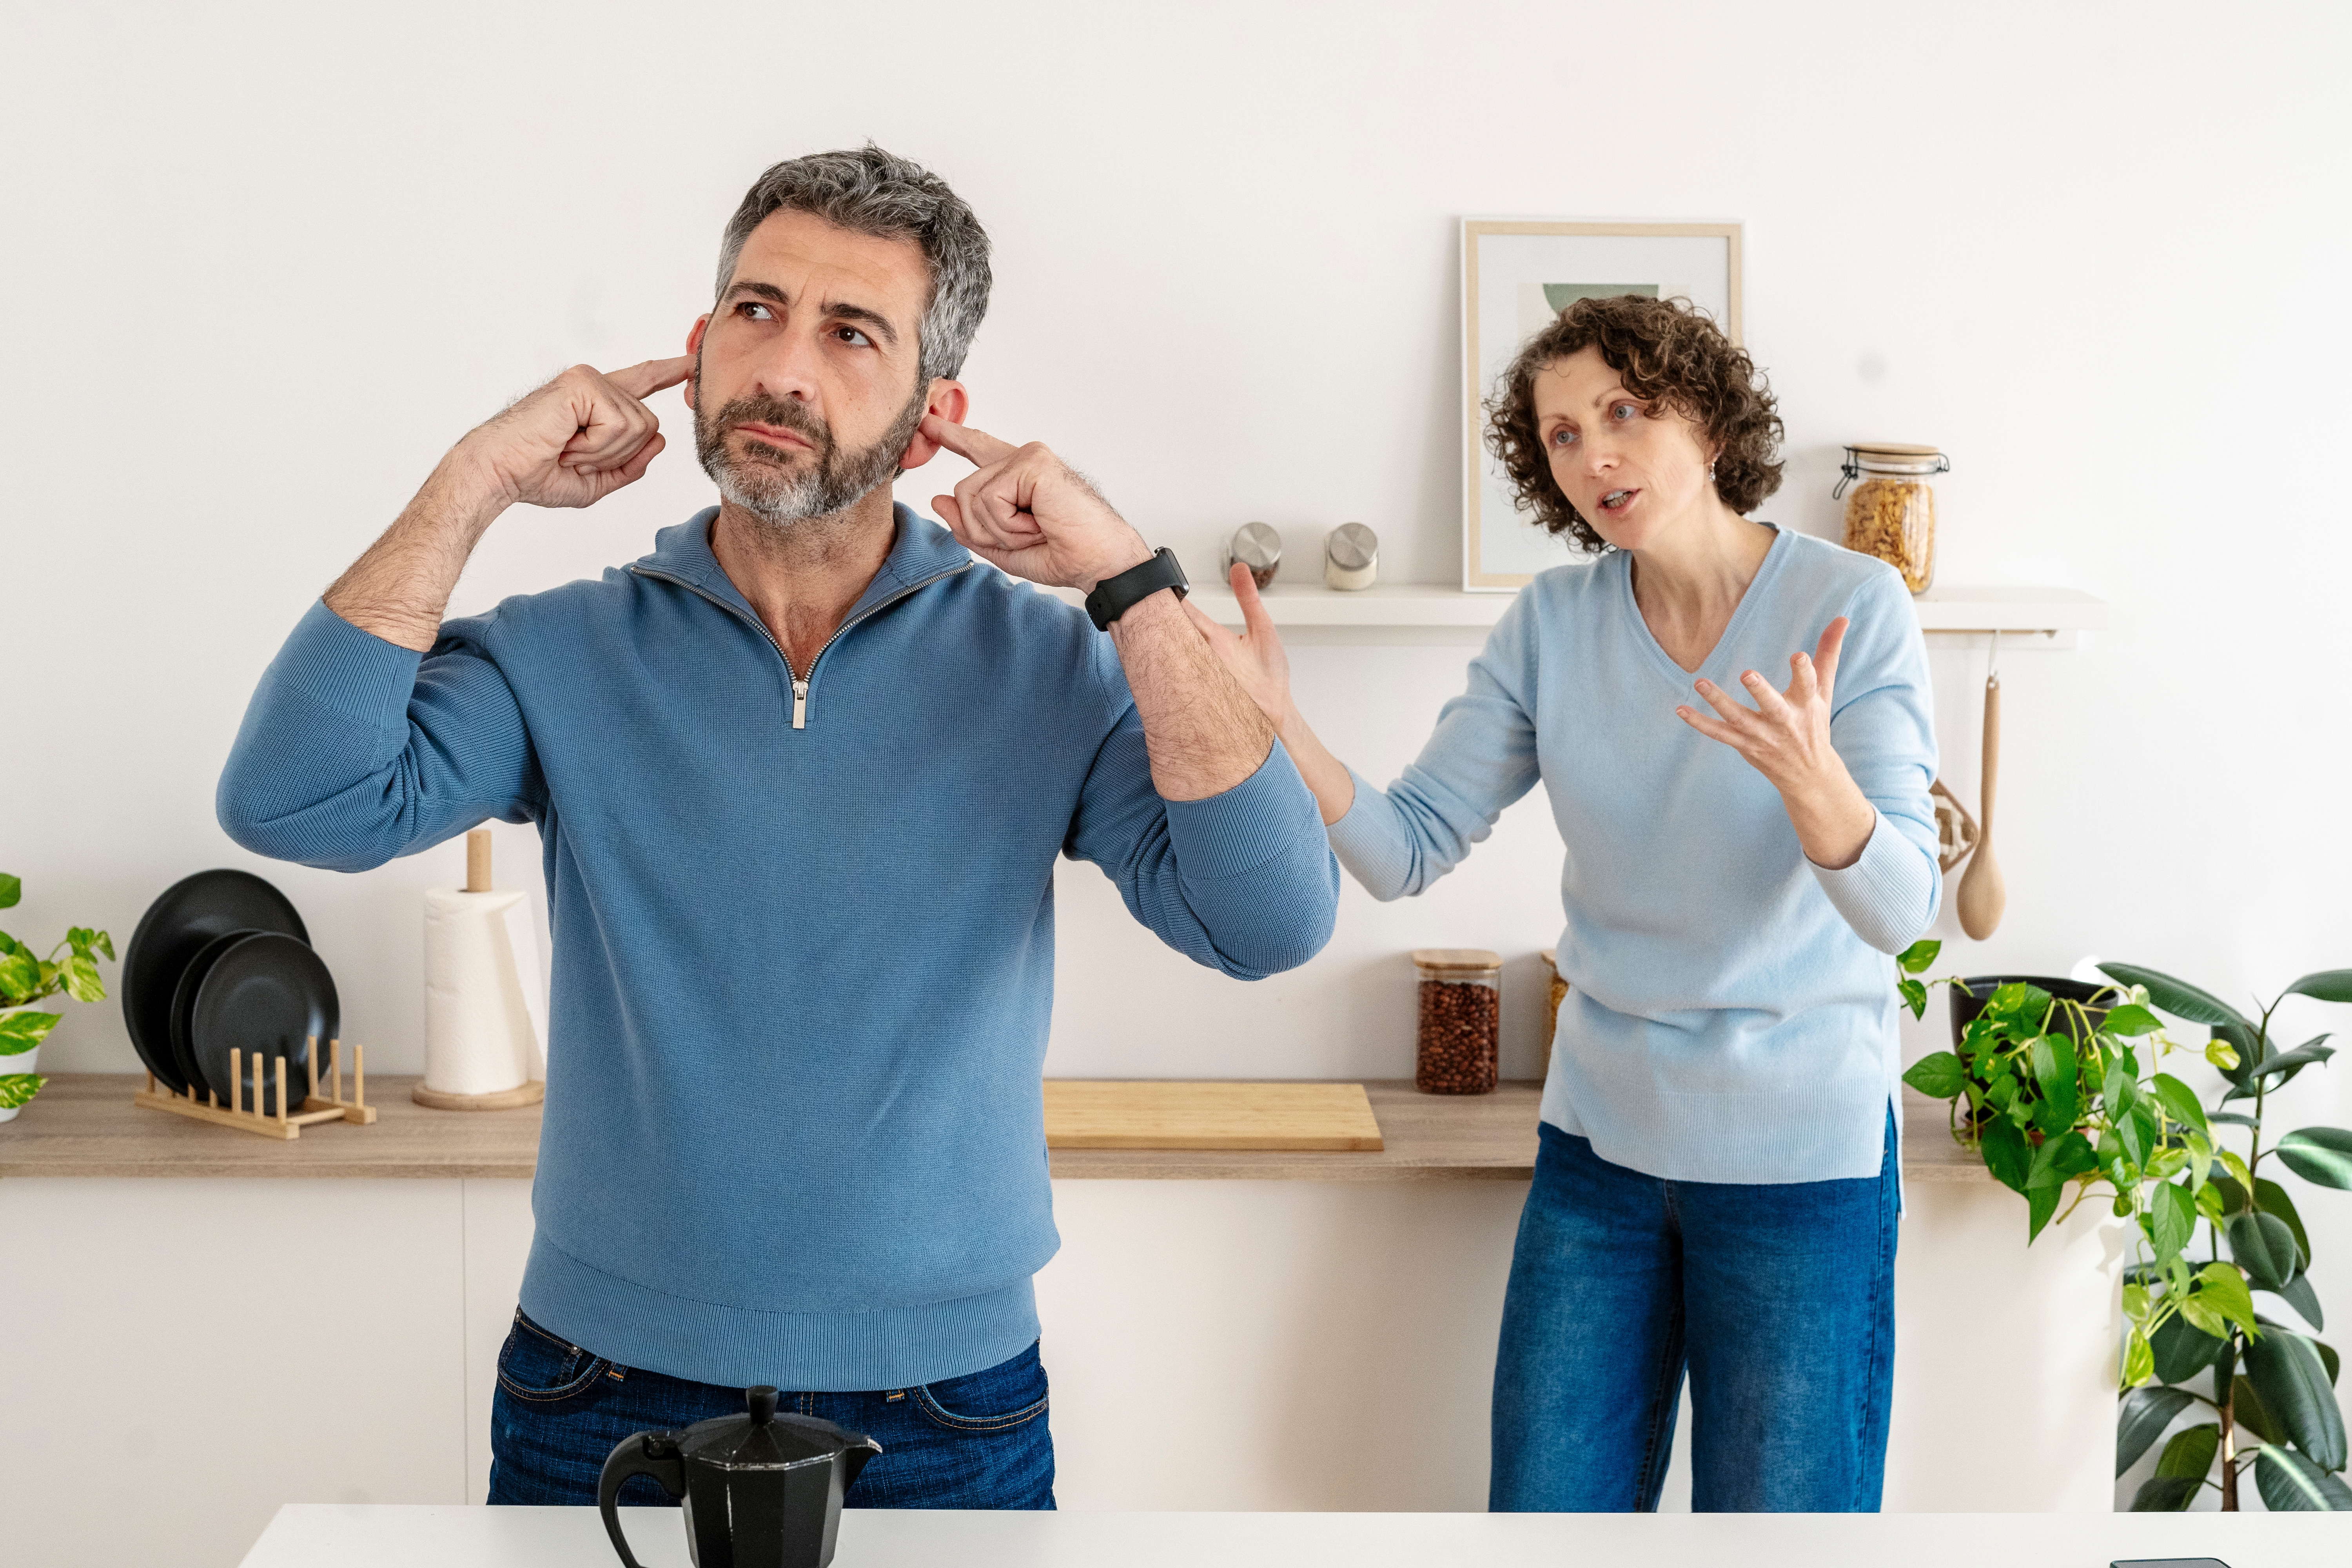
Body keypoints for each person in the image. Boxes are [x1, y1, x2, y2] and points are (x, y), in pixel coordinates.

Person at [215, 145, 1338, 1511]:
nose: (784, 370)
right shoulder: (562, 652)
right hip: (597, 1396)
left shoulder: (1051, 669)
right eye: (755, 312)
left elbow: (1271, 923)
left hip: (945, 1413)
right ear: (696, 350)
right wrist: (478, 477)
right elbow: (295, 799)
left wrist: (1130, 581)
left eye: (850, 333)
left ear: (935, 412)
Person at [1187, 294, 1937, 1512]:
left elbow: (1904, 913)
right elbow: (1407, 848)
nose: (1593, 455)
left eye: (1624, 413)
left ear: (1704, 417)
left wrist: (1815, 784)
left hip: (1801, 1168)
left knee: (1782, 1544)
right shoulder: (1553, 622)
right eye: (1561, 436)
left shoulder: (1852, 607)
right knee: (1543, 1530)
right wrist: (1280, 724)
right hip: (1600, 1162)